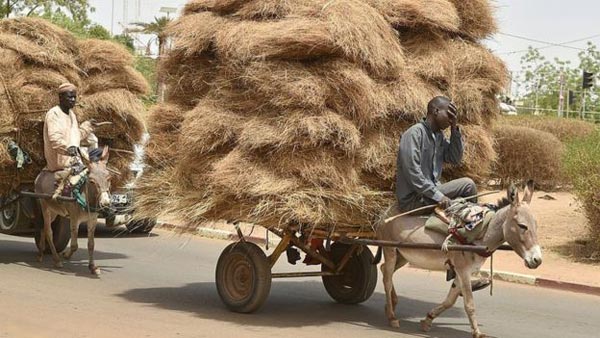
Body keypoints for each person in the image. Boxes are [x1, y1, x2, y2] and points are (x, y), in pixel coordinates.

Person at [395, 96, 489, 291]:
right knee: (468, 185)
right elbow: (414, 175)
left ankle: (462, 256)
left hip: (430, 193)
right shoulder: (413, 134)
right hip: (414, 198)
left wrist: (455, 128)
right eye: (450, 113)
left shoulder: (438, 137)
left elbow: (455, 158)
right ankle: (464, 263)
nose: (451, 117)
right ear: (435, 111)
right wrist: (439, 197)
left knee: (467, 188)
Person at [43, 83, 95, 198]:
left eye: (74, 97)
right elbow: (55, 140)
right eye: (69, 97)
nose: (73, 100)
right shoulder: (54, 114)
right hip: (60, 164)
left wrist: (88, 127)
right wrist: (68, 149)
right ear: (61, 98)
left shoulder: (72, 114)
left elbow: (76, 136)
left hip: (75, 163)